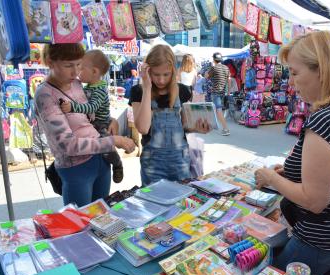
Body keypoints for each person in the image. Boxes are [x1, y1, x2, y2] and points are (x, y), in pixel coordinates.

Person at [254, 31, 330, 275]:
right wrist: (291, 173)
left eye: (295, 73)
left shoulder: (324, 120)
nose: (292, 82)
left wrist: (271, 177)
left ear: (321, 70)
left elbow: (315, 201)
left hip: (322, 238)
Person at [35, 44, 135, 207]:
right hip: (76, 168)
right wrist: (113, 141)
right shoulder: (46, 95)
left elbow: (88, 116)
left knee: (102, 216)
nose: (75, 72)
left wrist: (111, 120)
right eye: (68, 66)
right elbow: (68, 145)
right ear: (50, 62)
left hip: (101, 160)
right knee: (80, 222)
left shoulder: (76, 83)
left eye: (79, 64)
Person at [129, 45, 210, 186]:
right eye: (156, 74)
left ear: (173, 71)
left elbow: (184, 126)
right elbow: (142, 128)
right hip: (152, 165)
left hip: (180, 161)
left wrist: (198, 128)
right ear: (148, 71)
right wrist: (147, 87)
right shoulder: (139, 91)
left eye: (166, 74)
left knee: (181, 203)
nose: (161, 80)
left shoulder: (183, 91)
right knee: (154, 204)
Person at [60, 50, 124, 183]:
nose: (78, 71)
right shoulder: (89, 86)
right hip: (92, 123)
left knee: (106, 147)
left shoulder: (99, 90)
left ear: (94, 72)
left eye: (81, 68)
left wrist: (72, 107)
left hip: (101, 123)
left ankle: (117, 164)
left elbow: (91, 107)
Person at [206, 52, 230, 136]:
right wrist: (229, 91)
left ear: (214, 59)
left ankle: (225, 129)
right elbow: (229, 79)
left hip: (215, 92)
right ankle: (212, 125)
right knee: (215, 109)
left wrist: (209, 69)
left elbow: (206, 76)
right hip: (223, 92)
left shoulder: (214, 68)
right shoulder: (226, 68)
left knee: (218, 110)